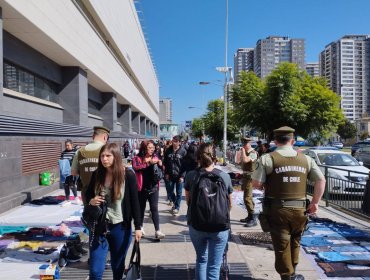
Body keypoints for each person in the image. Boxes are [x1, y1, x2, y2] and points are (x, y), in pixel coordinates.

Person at [251, 126, 325, 280]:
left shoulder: (267, 158)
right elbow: (320, 180)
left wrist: (266, 184)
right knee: (295, 242)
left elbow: (256, 183)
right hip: (300, 210)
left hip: (278, 211)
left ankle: (287, 276)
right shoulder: (306, 159)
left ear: (275, 141)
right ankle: (293, 272)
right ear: (293, 141)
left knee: (282, 245)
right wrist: (316, 202)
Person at [85, 143, 142, 280]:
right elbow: (87, 194)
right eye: (102, 156)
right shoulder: (96, 174)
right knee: (95, 270)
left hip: (120, 227)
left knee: (118, 267)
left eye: (108, 156)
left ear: (115, 156)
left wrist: (138, 227)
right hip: (99, 227)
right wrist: (91, 201)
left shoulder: (128, 175)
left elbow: (135, 202)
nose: (104, 159)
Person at [184, 142, 233, 280]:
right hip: (219, 227)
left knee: (201, 260)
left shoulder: (191, 176)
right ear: (215, 157)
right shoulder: (224, 176)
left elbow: (188, 201)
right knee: (214, 265)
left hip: (196, 224)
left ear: (198, 157)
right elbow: (229, 203)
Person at [132, 140, 165, 239]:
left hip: (154, 188)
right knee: (141, 209)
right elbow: (136, 167)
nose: (152, 149)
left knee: (154, 209)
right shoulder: (137, 158)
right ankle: (140, 227)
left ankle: (158, 231)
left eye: (153, 147)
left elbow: (161, 170)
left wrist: (160, 164)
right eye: (150, 147)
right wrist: (148, 163)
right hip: (141, 188)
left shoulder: (155, 157)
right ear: (144, 148)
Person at [71, 126, 110, 205]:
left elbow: (73, 172)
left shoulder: (79, 151)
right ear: (105, 137)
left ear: (93, 136)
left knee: (89, 215)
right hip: (105, 193)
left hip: (86, 193)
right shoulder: (108, 151)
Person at [163, 135, 187, 215]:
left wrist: (183, 176)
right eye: (173, 141)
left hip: (179, 176)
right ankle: (175, 201)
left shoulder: (183, 151)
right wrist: (166, 173)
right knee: (170, 191)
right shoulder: (168, 151)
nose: (174, 143)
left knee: (179, 192)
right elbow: (165, 163)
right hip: (170, 175)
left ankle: (177, 207)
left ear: (179, 142)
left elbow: (185, 165)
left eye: (176, 141)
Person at [239, 138, 259, 227]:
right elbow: (242, 162)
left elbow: (247, 160)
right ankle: (250, 216)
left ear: (249, 144)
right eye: (243, 144)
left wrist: (243, 151)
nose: (243, 145)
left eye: (245, 144)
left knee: (247, 198)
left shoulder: (253, 153)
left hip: (250, 178)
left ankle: (254, 218)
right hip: (246, 177)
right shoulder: (247, 152)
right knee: (247, 197)